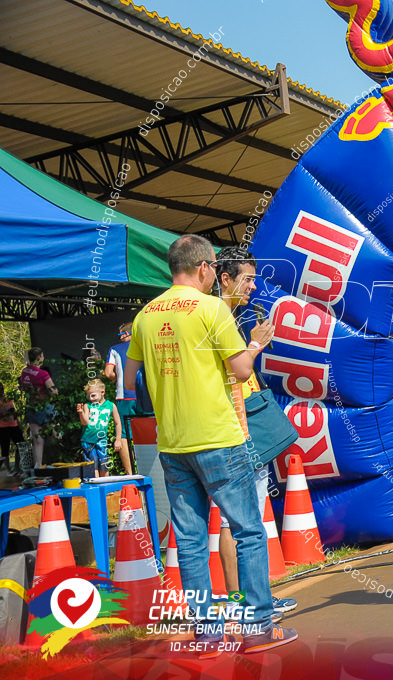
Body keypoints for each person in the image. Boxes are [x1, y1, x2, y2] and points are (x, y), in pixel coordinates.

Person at [124, 235, 294, 655]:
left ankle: (206, 633)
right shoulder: (212, 308)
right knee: (248, 532)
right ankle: (256, 628)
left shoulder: (146, 315)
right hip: (219, 440)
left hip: (174, 445)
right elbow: (239, 371)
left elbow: (128, 384)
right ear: (203, 268)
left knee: (191, 541)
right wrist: (256, 343)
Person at [212, 245, 298, 623]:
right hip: (235, 431)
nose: (252, 287)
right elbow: (239, 371)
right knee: (240, 519)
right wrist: (256, 344)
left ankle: (246, 596)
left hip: (236, 426)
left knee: (242, 518)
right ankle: (245, 599)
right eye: (247, 279)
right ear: (224, 278)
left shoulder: (222, 315)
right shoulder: (217, 317)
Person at [103, 322, 137, 474]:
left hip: (124, 397)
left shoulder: (114, 349)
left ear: (125, 333)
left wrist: (118, 379)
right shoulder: (144, 345)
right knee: (148, 431)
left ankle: (130, 474)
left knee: (123, 435)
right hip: (145, 396)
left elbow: (108, 373)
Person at [19, 347, 57, 469]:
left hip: (31, 407)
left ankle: (38, 466)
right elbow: (53, 392)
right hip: (45, 407)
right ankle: (56, 463)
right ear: (39, 357)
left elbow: (22, 386)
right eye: (42, 356)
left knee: (37, 440)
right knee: (55, 435)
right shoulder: (43, 374)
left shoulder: (24, 372)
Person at [76, 379, 120, 478]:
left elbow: (118, 423)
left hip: (102, 441)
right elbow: (85, 422)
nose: (91, 398)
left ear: (102, 392)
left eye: (93, 395)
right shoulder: (88, 406)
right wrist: (81, 413)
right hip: (88, 441)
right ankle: (97, 489)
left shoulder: (111, 406)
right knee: (93, 467)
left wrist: (118, 440)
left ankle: (106, 489)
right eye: (89, 396)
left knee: (104, 466)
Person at [0, 385, 23, 475]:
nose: (1, 390)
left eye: (2, 388)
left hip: (14, 425)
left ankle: (17, 467)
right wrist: (5, 414)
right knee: (5, 449)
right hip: (3, 427)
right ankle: (9, 469)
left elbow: (15, 412)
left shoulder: (8, 399)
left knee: (20, 445)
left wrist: (19, 424)